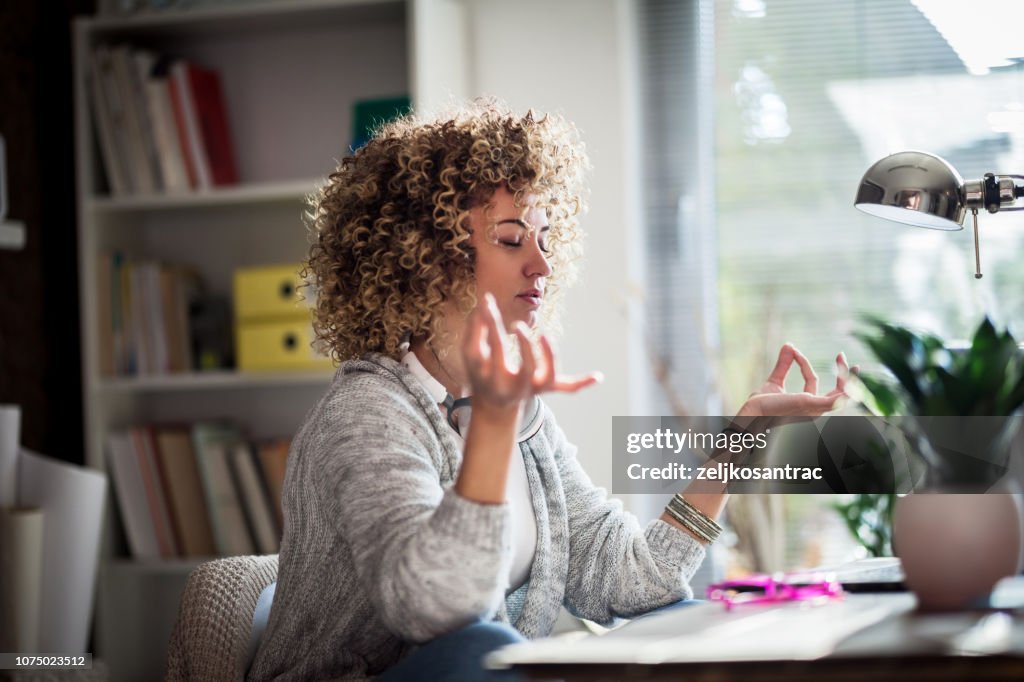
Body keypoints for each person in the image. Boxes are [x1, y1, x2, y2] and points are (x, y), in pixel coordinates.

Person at [246, 100, 849, 681]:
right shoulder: (367, 413)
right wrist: (495, 424)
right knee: (484, 648)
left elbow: (630, 581)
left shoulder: (521, 414)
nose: (542, 265)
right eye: (512, 239)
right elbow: (437, 613)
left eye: (545, 239)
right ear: (427, 257)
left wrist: (738, 446)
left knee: (686, 625)